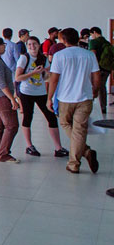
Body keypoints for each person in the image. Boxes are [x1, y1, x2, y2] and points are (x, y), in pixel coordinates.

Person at [48, 27, 102, 175]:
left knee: (65, 124)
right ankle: (78, 159)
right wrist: (95, 91)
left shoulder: (59, 56)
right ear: (77, 38)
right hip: (85, 98)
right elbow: (96, 76)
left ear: (63, 40)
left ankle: (78, 160)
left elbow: (54, 79)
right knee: (79, 130)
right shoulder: (89, 55)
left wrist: (49, 98)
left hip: (65, 98)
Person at [15, 36, 67, 158]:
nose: (32, 47)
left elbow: (46, 78)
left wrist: (45, 72)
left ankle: (58, 148)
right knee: (28, 117)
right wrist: (33, 73)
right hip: (26, 92)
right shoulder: (24, 58)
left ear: (39, 45)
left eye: (34, 44)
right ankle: (29, 146)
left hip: (41, 92)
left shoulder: (43, 58)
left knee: (51, 118)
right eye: (29, 45)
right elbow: (17, 78)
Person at [88, 26, 112, 116]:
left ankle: (93, 107)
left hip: (97, 69)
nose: (91, 36)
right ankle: (103, 106)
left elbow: (93, 55)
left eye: (91, 34)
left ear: (94, 32)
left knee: (94, 87)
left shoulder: (94, 42)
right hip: (106, 68)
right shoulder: (107, 42)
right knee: (102, 87)